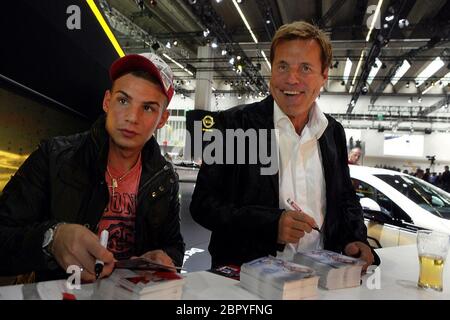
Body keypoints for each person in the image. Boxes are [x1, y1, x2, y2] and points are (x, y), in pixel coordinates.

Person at [190, 21, 378, 272]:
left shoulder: (333, 133)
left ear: (324, 75)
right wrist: (269, 225)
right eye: (282, 66)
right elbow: (204, 205)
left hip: (321, 278)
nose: (291, 79)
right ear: (271, 72)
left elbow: (344, 197)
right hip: (248, 281)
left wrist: (355, 237)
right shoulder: (235, 125)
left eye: (305, 68)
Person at [0, 53, 185, 282]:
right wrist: (52, 239)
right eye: (123, 100)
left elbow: (174, 246)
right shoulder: (54, 157)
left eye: (148, 108)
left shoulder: (164, 178)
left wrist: (166, 257)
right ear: (107, 102)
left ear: (163, 119)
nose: (131, 117)